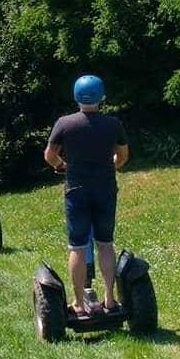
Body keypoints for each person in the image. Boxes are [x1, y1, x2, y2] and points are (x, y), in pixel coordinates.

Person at [44, 74, 129, 319]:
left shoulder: (65, 123)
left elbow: (49, 155)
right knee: (105, 244)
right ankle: (110, 300)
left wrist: (62, 165)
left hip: (76, 191)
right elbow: (122, 157)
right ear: (101, 96)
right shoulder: (113, 124)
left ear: (76, 96)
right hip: (105, 189)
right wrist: (113, 164)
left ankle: (79, 304)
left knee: (78, 247)